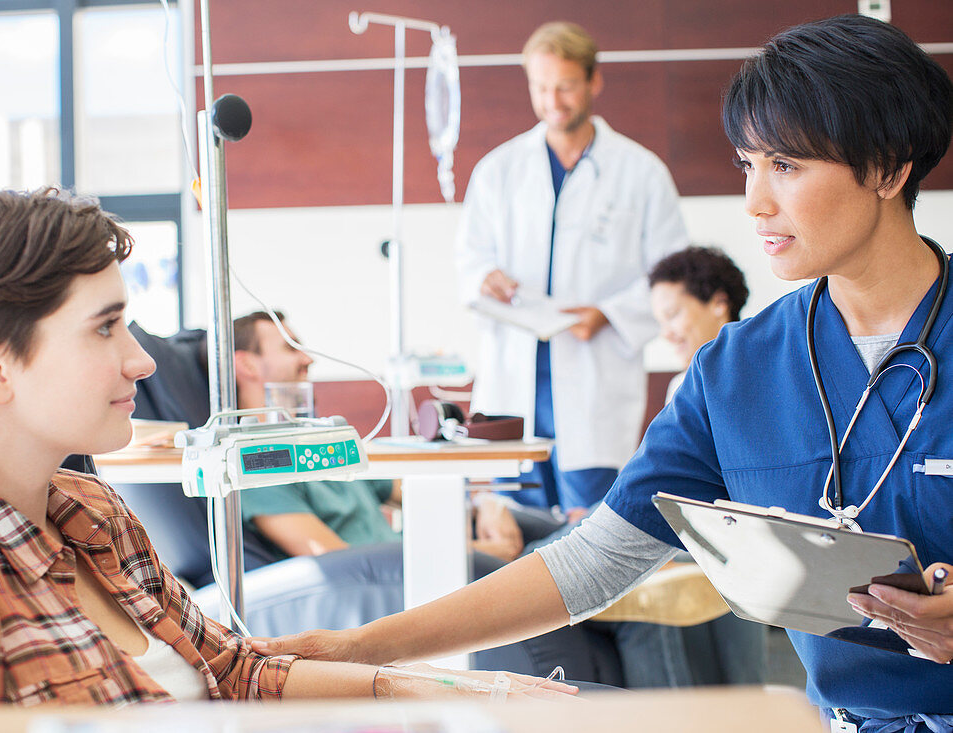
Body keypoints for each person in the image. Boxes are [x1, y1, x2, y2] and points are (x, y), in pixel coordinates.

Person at [252, 14, 953, 727]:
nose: (755, 201)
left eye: (788, 165)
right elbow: (593, 560)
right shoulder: (737, 371)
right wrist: (364, 645)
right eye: (749, 163)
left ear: (890, 168)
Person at [0, 187, 573, 708]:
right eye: (105, 328)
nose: (142, 361)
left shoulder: (91, 512)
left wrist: (464, 692)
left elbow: (238, 673)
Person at [457, 21, 688, 519]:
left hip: (593, 376)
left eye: (563, 86)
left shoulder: (641, 172)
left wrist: (607, 313)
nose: (552, 101)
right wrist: (484, 277)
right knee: (511, 532)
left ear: (592, 82)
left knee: (592, 536)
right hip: (515, 378)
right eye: (540, 87)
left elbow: (671, 276)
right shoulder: (498, 170)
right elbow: (469, 258)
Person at [230, 311, 525, 564]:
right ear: (247, 365)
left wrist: (487, 504)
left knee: (555, 535)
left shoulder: (322, 441)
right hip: (396, 581)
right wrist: (478, 551)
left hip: (417, 557)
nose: (307, 358)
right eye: (290, 348)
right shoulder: (257, 462)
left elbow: (416, 492)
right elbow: (343, 564)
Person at [648, 246, 749, 401]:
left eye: (672, 315)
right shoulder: (681, 388)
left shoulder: (762, 370)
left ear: (719, 303)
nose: (666, 334)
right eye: (661, 322)